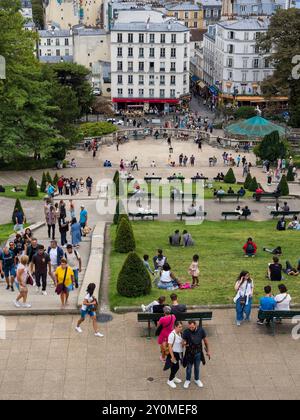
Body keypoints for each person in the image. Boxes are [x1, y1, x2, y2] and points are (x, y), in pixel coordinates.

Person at [182, 320, 211, 389]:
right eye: (190, 327)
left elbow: (206, 341)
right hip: (189, 353)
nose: (191, 329)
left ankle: (197, 379)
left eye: (192, 327)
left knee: (197, 367)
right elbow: (183, 342)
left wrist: (208, 351)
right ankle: (187, 380)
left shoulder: (201, 331)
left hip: (198, 353)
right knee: (189, 368)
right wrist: (184, 343)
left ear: (195, 325)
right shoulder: (186, 331)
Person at [165, 321, 184, 389]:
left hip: (179, 353)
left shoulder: (180, 333)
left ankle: (173, 377)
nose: (181, 328)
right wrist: (172, 357)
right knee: (175, 367)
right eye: (179, 327)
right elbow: (170, 346)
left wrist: (183, 343)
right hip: (173, 353)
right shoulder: (172, 335)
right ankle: (170, 380)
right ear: (175, 327)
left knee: (175, 367)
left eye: (181, 327)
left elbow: (181, 343)